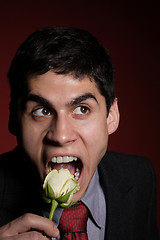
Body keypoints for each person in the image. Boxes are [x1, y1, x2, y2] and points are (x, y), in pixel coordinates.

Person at [0, 27, 158, 240]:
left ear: (111, 116)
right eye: (42, 111)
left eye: (82, 109)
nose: (61, 136)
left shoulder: (139, 177)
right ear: (14, 120)